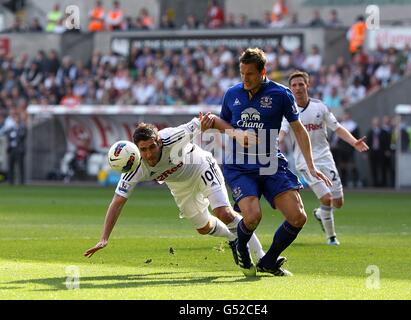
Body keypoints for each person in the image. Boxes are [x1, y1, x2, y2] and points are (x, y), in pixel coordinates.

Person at [200, 48, 332, 277]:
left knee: (298, 216)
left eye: (249, 74)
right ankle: (241, 247)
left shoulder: (281, 94)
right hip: (239, 166)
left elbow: (299, 131)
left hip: (271, 162)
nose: (245, 79)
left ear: (263, 71)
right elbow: (222, 123)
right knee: (252, 217)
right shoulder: (232, 94)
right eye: (242, 73)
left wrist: (311, 166)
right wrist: (222, 127)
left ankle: (268, 261)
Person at [84, 117, 265, 266]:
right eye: (143, 149)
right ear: (137, 149)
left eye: (152, 147)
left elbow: (209, 120)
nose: (148, 154)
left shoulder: (173, 137)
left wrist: (237, 135)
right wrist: (104, 238)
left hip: (200, 166)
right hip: (179, 186)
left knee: (223, 212)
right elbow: (117, 202)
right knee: (203, 228)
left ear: (159, 142)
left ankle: (262, 257)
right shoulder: (134, 167)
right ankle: (232, 238)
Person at [279, 71, 369, 245]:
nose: (297, 88)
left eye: (300, 84)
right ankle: (331, 238)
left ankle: (321, 214)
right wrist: (276, 142)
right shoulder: (289, 112)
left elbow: (337, 127)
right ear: (290, 90)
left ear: (307, 85)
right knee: (326, 198)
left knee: (338, 202)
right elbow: (282, 132)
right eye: (294, 85)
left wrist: (354, 142)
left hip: (326, 158)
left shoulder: (320, 107)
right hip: (305, 162)